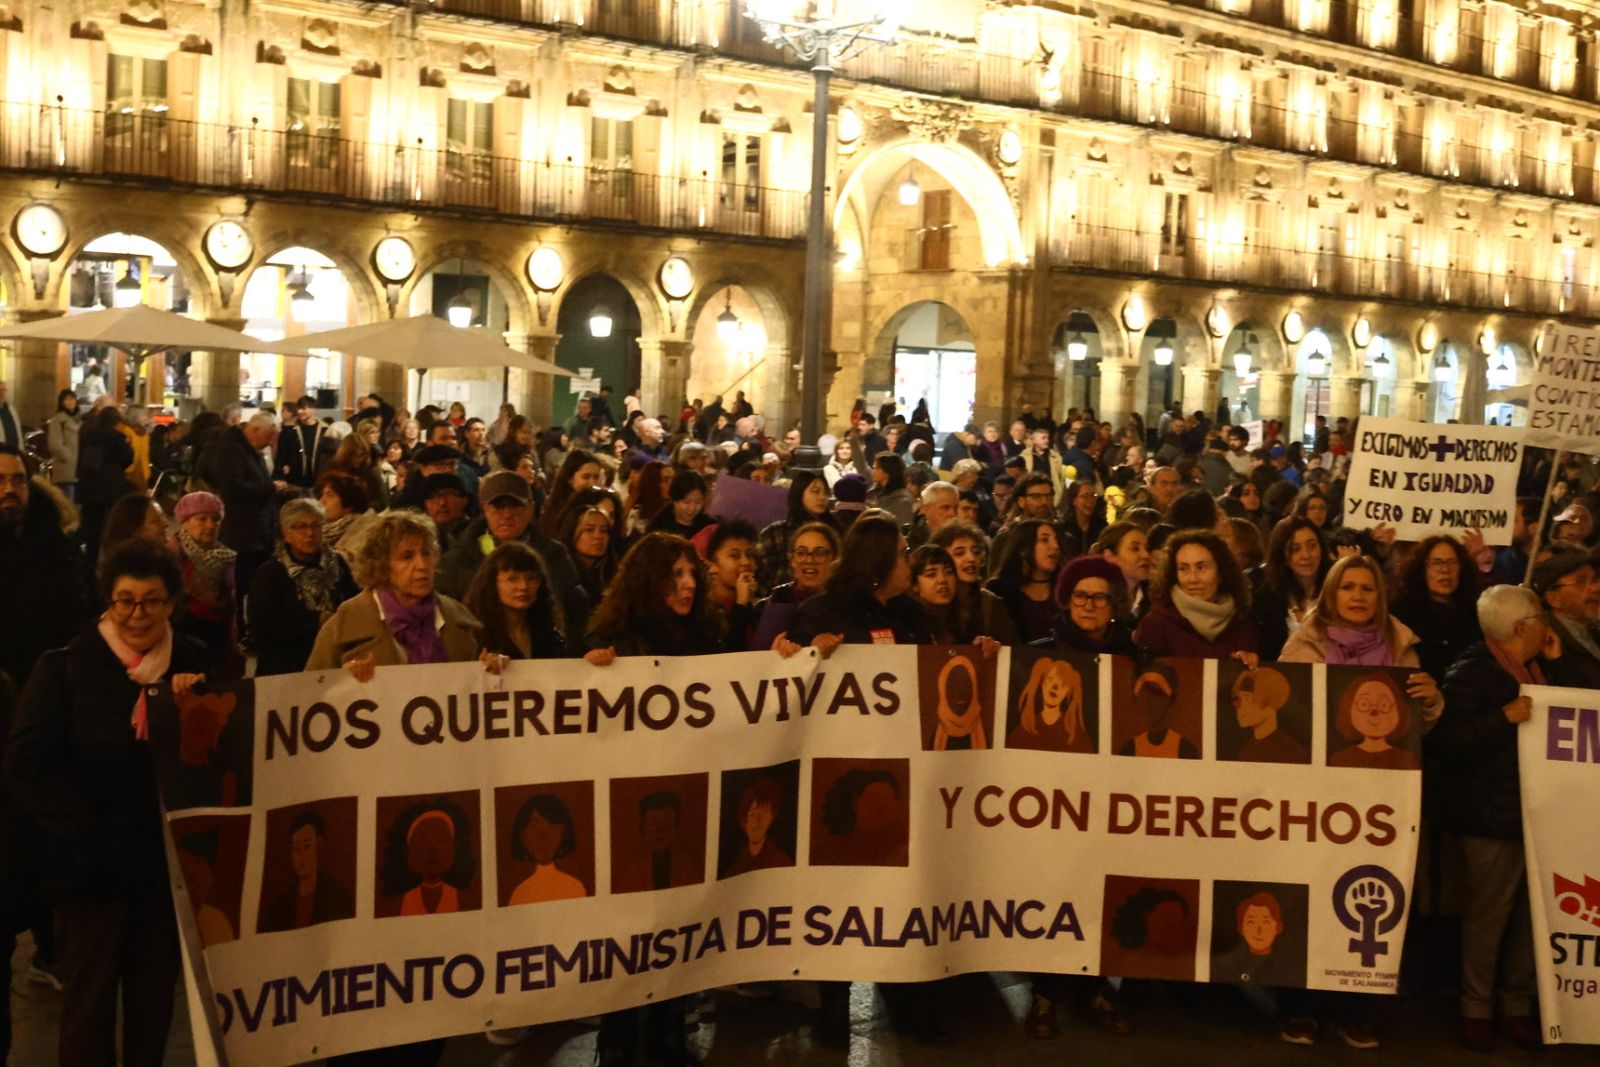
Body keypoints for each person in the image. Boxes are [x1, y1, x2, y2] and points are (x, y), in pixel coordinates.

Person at [5, 542, 208, 1067]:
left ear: (171, 603)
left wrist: (200, 709)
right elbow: (27, 765)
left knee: (152, 1006)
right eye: (125, 602)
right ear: (108, 603)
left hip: (162, 875)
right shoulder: (67, 667)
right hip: (89, 873)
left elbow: (221, 756)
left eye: (151, 601)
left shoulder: (192, 660)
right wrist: (82, 830)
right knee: (89, 1008)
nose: (138, 614)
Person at [1435, 584, 1559, 1054]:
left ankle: (1518, 1005)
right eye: (1541, 615)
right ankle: (1476, 1009)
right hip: (1491, 818)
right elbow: (1446, 741)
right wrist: (1502, 719)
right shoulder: (1473, 672)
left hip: (1535, 814)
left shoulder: (1537, 669)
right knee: (1489, 921)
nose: (1548, 622)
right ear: (1522, 626)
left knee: (1533, 917)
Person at [304, 511, 483, 676]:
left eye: (427, 553)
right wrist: (340, 681)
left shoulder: (459, 620)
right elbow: (309, 696)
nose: (422, 565)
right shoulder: (343, 625)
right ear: (381, 564)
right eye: (407, 556)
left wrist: (492, 671)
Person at [1278, 555, 1446, 723]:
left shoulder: (1400, 644)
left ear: (1378, 596)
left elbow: (1410, 732)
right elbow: (1285, 717)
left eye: (1367, 588)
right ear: (1331, 594)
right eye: (1347, 587)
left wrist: (1429, 702)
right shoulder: (1304, 645)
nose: (1358, 596)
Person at [0, 445, 88, 691]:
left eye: (18, 480)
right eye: (0, 480)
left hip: (46, 683)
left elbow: (75, 609)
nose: (9, 489)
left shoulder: (56, 542)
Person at [247, 497, 359, 676]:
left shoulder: (337, 565)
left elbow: (356, 603)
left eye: (316, 526)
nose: (309, 534)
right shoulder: (270, 573)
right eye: (300, 527)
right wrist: (316, 621)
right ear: (286, 534)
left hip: (335, 662)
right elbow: (262, 627)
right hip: (286, 668)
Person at [192, 411, 279, 600]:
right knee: (241, 584)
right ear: (254, 431)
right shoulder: (232, 450)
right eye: (267, 436)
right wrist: (270, 488)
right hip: (241, 531)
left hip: (254, 530)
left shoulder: (248, 450)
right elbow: (234, 487)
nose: (269, 442)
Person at [1133, 530, 1259, 659]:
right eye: (1183, 569)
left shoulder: (1241, 626)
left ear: (1221, 572)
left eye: (1201, 567)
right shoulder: (1156, 624)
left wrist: (1246, 666)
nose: (1192, 578)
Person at [1390, 534, 1487, 683]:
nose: (1445, 570)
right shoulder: (1402, 614)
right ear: (1421, 569)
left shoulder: (1476, 613)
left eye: (1452, 562)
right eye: (1436, 562)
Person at [169, 491, 242, 681]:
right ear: (185, 522)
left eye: (215, 519)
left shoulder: (225, 557)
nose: (210, 525)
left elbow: (231, 605)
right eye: (201, 519)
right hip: (182, 639)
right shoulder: (172, 555)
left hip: (218, 639)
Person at [463, 542, 567, 660]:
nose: (523, 586)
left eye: (531, 578)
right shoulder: (473, 635)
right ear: (492, 583)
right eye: (512, 579)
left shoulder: (549, 634)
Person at [257, 810, 356, 932]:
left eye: (307, 846)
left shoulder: (339, 896)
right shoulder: (280, 906)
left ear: (318, 846)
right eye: (296, 848)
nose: (301, 855)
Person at [1250, 517, 1329, 661]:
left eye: (1312, 546)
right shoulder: (1265, 599)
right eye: (1295, 549)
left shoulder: (1338, 590)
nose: (1306, 555)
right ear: (1283, 556)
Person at [930, 521, 1017, 644]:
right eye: (960, 553)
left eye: (976, 552)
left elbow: (1011, 652)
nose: (971, 558)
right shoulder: (930, 602)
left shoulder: (990, 605)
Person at [1040, 555, 1139, 657]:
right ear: (1068, 601)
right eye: (1080, 596)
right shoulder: (1040, 652)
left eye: (1099, 597)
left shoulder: (1131, 654)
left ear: (1115, 604)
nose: (1089, 607)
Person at [1529, 546, 1600, 688]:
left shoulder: (1593, 628)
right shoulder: (1546, 643)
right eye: (1581, 582)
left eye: (1595, 579)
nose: (1595, 588)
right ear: (1554, 599)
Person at [754, 469, 835, 591]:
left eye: (825, 493)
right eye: (815, 491)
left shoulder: (834, 531)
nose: (822, 497)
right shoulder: (776, 533)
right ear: (799, 493)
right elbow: (760, 572)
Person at [988, 519, 1063, 643]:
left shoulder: (1066, 589)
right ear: (1024, 548)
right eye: (1045, 540)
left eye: (1056, 540)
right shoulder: (1000, 591)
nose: (1055, 546)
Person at [506, 794, 587, 904]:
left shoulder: (575, 888)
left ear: (564, 832)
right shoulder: (520, 893)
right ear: (522, 837)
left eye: (551, 825)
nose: (543, 836)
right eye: (534, 827)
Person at [1093, 522, 1152, 620]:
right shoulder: (1095, 598)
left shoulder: (1155, 599)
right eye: (1135, 549)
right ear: (1109, 556)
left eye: (1147, 548)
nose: (1145, 555)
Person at [647, 469, 714, 538]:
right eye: (686, 502)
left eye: (698, 502)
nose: (692, 508)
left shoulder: (709, 526)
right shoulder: (658, 526)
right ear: (674, 499)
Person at [46, 388, 81, 498]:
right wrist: (68, 456)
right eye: (67, 399)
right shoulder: (58, 419)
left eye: (72, 399)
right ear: (62, 402)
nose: (70, 402)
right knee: (67, 499)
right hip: (65, 465)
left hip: (79, 466)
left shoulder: (81, 419)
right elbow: (54, 443)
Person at [866, 452, 916, 528]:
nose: (873, 471)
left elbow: (903, 529)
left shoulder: (902, 501)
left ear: (887, 472)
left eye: (876, 468)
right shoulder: (880, 491)